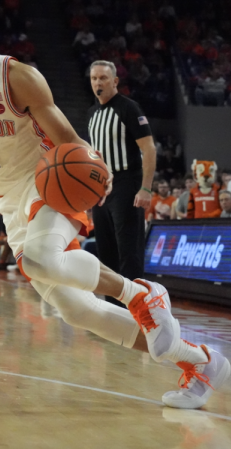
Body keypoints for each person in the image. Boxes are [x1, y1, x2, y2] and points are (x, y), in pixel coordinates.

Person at [0, 0, 229, 409]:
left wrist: (96, 172)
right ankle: (200, 362)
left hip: (52, 177)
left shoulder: (15, 77)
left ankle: (140, 295)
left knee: (42, 258)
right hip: (9, 198)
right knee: (76, 311)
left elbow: (67, 139)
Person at [85, 60, 155, 291]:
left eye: (103, 78)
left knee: (129, 251)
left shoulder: (129, 108)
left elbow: (149, 149)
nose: (98, 82)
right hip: (102, 188)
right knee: (106, 252)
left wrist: (145, 188)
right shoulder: (92, 113)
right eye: (94, 78)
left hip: (127, 183)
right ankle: (114, 310)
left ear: (115, 81)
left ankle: (136, 310)